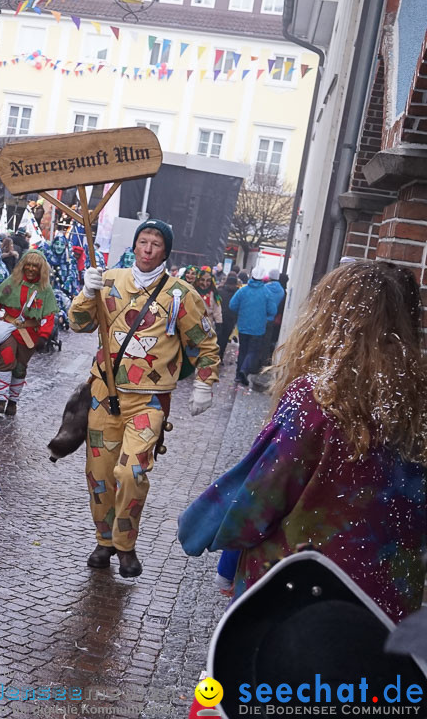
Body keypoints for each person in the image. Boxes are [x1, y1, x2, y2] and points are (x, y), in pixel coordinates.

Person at [179, 260, 426, 623]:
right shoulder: (417, 404)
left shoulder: (317, 398)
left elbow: (259, 497)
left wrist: (200, 526)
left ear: (330, 319)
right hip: (387, 607)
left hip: (296, 598)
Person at [69, 220, 220, 577]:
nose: (148, 249)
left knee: (131, 470)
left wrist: (204, 383)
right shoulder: (109, 281)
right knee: (100, 474)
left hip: (147, 401)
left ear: (166, 251)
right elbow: (78, 324)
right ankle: (103, 541)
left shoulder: (181, 294)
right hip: (104, 396)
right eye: (143, 242)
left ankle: (125, 545)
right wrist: (87, 294)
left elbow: (205, 342)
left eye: (155, 244)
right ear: (135, 245)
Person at [0, 250, 57, 416]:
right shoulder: (12, 283)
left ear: (41, 268)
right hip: (9, 328)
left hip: (29, 334)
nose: (31, 268)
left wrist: (44, 336)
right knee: (6, 359)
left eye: (35, 265)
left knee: (20, 368)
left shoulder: (45, 290)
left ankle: (13, 401)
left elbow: (48, 316)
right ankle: (1, 399)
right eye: (28, 264)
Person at [228, 266, 278, 386]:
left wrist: (242, 312)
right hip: (258, 328)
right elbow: (273, 310)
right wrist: (265, 316)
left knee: (243, 350)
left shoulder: (243, 291)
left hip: (243, 326)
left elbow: (232, 305)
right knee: (253, 351)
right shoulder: (266, 293)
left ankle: (237, 375)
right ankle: (244, 370)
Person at [193, 266, 223, 346]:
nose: (205, 283)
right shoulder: (193, 291)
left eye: (208, 281)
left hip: (208, 326)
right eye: (202, 280)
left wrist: (219, 323)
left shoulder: (214, 294)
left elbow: (217, 310)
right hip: (193, 324)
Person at [215, 272, 240, 360]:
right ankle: (219, 355)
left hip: (221, 319)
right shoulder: (237, 293)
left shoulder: (219, 291)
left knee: (219, 338)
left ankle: (217, 355)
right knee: (224, 339)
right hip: (228, 320)